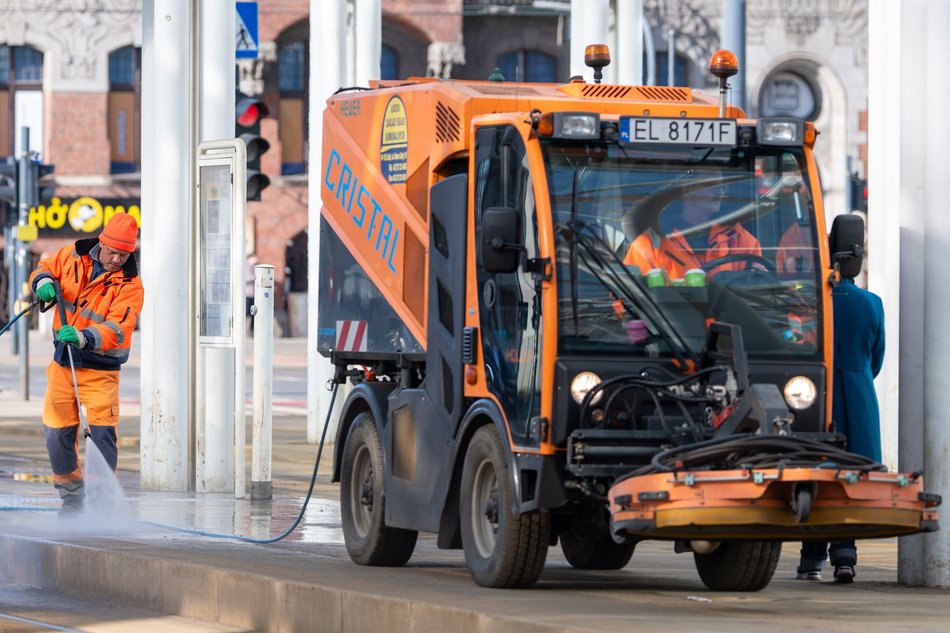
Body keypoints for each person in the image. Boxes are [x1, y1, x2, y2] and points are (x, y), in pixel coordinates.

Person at [29, 213, 145, 513]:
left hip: (99, 369)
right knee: (56, 432)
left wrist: (84, 338)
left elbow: (119, 327)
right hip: (62, 364)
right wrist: (42, 282)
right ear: (101, 243)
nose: (117, 259)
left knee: (102, 435)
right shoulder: (71, 255)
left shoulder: (131, 285)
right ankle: (71, 497)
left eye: (124, 254)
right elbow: (44, 268)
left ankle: (102, 502)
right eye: (113, 252)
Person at [796, 263, 885, 583]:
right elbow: (877, 357)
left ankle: (811, 559)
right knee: (852, 474)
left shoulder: (808, 301)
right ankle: (845, 556)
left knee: (817, 471)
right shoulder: (872, 302)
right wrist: (857, 376)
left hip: (815, 393)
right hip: (859, 392)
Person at [624, 173, 761, 279]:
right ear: (689, 189)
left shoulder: (740, 238)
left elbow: (760, 290)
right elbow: (632, 295)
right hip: (667, 315)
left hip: (729, 315)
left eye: (722, 187)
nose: (720, 193)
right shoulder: (651, 242)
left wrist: (759, 276)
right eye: (712, 186)